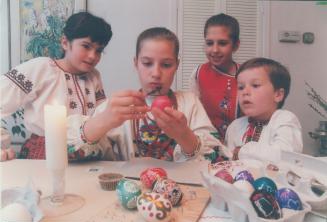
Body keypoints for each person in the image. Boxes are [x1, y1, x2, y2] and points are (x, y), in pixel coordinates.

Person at [67, 27, 224, 162]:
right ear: (136, 63)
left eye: (166, 65)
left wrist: (184, 136)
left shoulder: (189, 103)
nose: (156, 73)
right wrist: (103, 121)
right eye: (147, 63)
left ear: (177, 65)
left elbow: (217, 158)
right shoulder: (118, 106)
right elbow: (70, 151)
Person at [0, 12, 113, 160]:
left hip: (89, 153)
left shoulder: (94, 76)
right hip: (45, 152)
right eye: (86, 46)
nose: (93, 56)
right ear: (65, 42)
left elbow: (100, 116)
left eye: (99, 50)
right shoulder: (42, 68)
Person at [225, 57, 303, 163]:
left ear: (278, 94)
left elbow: (285, 156)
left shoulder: (285, 119)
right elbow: (229, 163)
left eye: (255, 85)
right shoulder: (235, 126)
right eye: (241, 87)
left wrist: (243, 151)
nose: (245, 92)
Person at [190, 13, 241, 142]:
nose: (215, 50)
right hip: (206, 143)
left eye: (222, 43)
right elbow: (193, 110)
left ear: (235, 45)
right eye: (209, 43)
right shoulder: (198, 73)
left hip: (238, 144)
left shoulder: (246, 75)